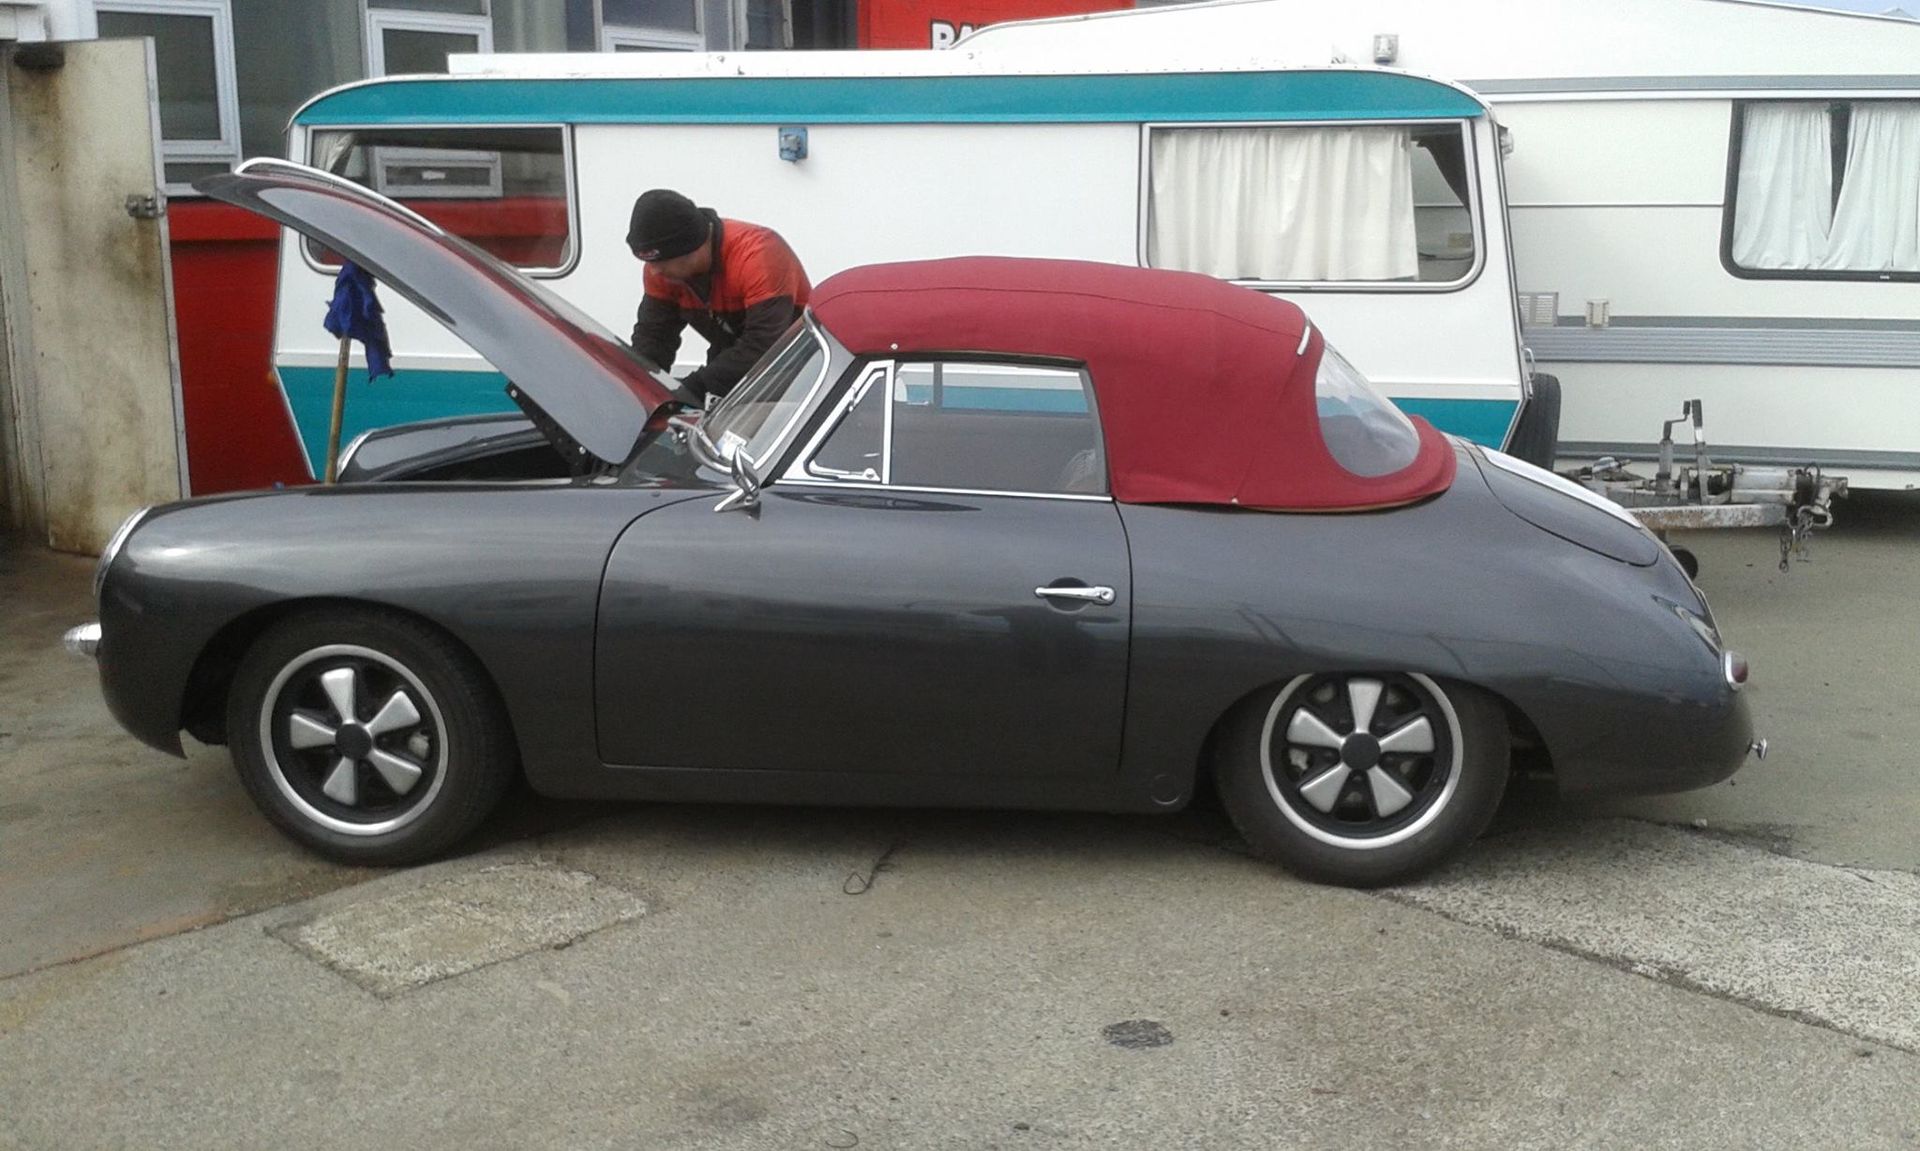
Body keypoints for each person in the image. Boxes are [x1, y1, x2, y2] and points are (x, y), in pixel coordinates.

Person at [626, 188, 811, 404]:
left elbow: (765, 345)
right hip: (729, 354)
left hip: (795, 362)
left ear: (692, 247)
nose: (655, 271)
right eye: (649, 263)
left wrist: (690, 390)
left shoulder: (759, 253)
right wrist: (641, 388)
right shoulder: (662, 271)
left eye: (663, 262)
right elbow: (653, 336)